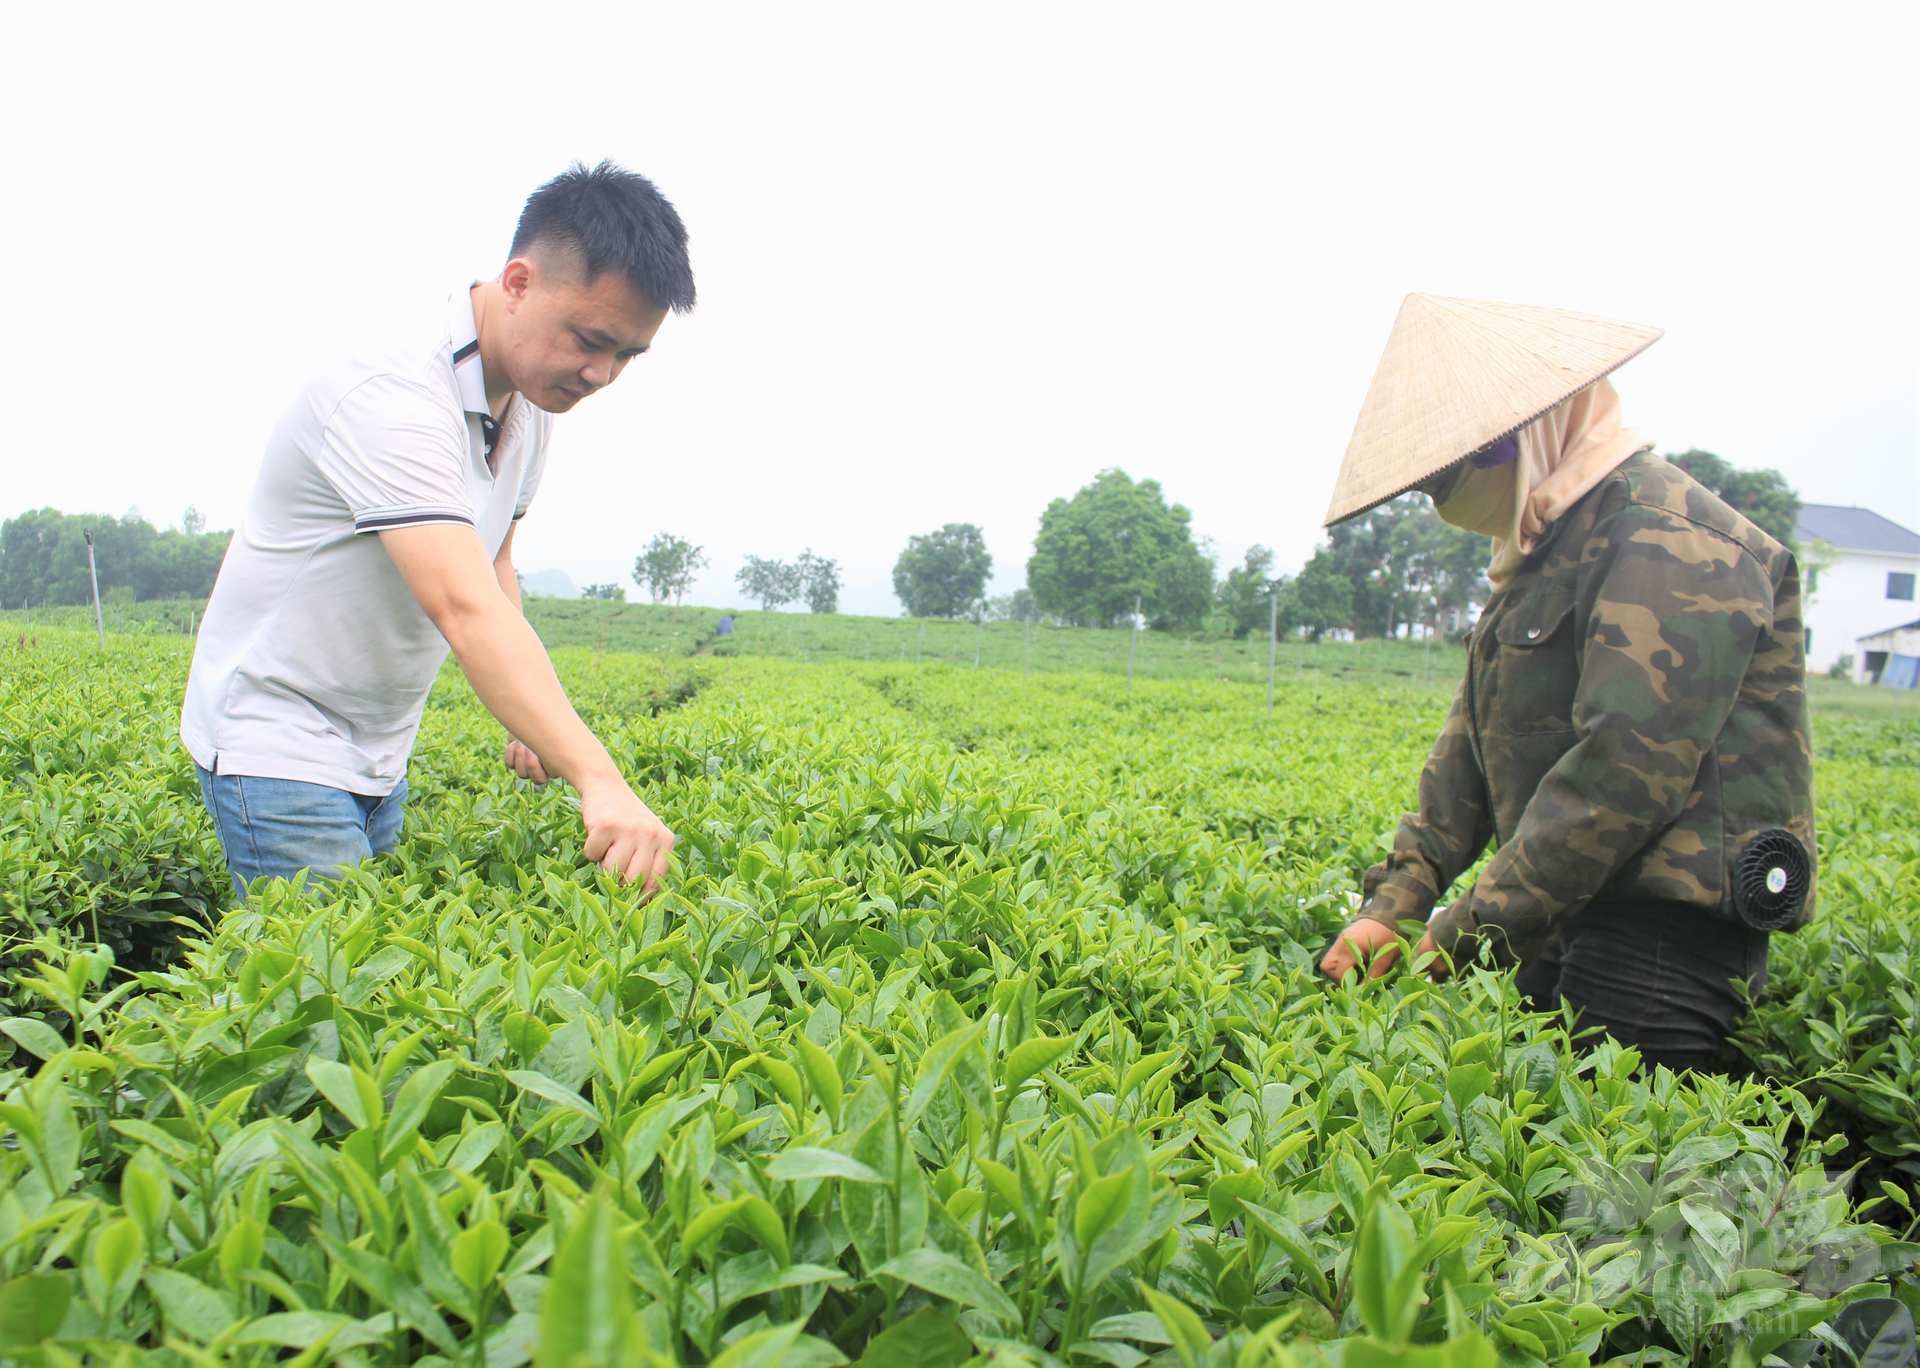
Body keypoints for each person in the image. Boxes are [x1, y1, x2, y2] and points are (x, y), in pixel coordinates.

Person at [1317, 295, 1816, 1073]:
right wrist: (1397, 902)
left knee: (1615, 1181)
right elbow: (1470, 749)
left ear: (1511, 439)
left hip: (1659, 936)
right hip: (1565, 904)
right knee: (1530, 1155)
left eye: (1441, 474)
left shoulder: (1668, 537)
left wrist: (1468, 926)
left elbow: (1624, 769)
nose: (1434, 497)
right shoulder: (1546, 544)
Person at [182, 161, 692, 898]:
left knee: (363, 975)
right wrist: (598, 779)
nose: (600, 375)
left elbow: (494, 564)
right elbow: (461, 603)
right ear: (518, 283)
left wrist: (536, 720)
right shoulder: (391, 390)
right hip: (280, 735)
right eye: (590, 339)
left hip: (380, 744)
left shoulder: (530, 405)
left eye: (625, 356)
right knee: (328, 990)